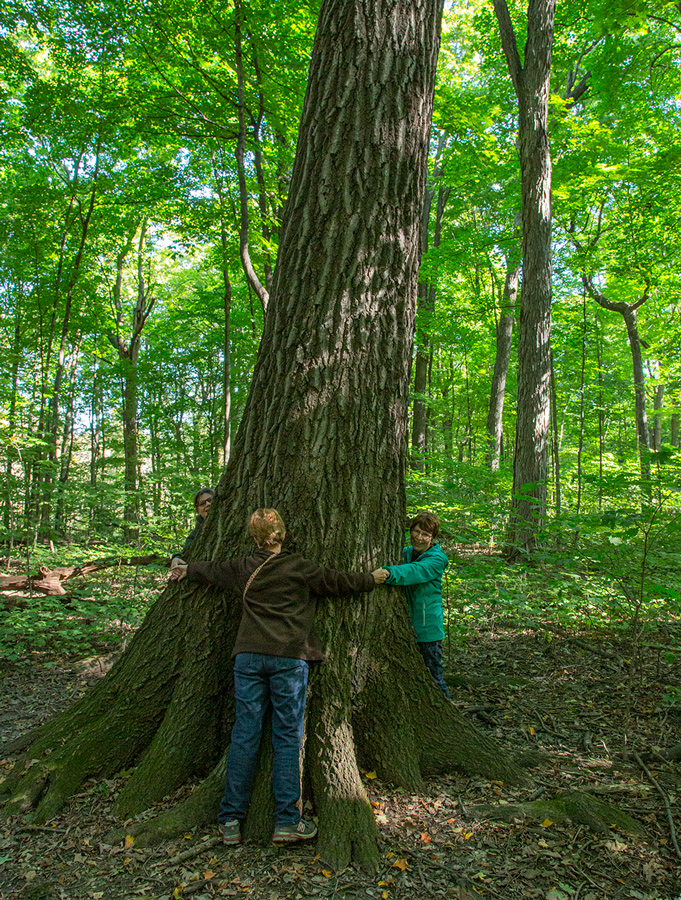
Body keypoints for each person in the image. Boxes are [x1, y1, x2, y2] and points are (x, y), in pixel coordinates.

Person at [170, 508, 387, 845]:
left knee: (245, 735)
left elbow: (209, 571)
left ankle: (230, 821)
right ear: (282, 535)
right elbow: (337, 581)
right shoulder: (299, 567)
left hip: (249, 657)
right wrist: (369, 579)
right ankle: (286, 821)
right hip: (289, 658)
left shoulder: (241, 566)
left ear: (255, 537)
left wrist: (185, 569)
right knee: (286, 736)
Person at [375, 511, 450, 697]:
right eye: (416, 531)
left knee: (434, 678)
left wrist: (387, 573)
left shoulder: (436, 559)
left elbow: (415, 571)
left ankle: (446, 707)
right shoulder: (406, 552)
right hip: (407, 626)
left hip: (427, 629)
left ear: (432, 538)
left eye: (425, 534)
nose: (419, 537)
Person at [170, 488, 214, 569]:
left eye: (210, 500)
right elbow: (186, 552)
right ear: (198, 511)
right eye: (202, 504)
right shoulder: (196, 533)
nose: (207, 504)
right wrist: (176, 558)